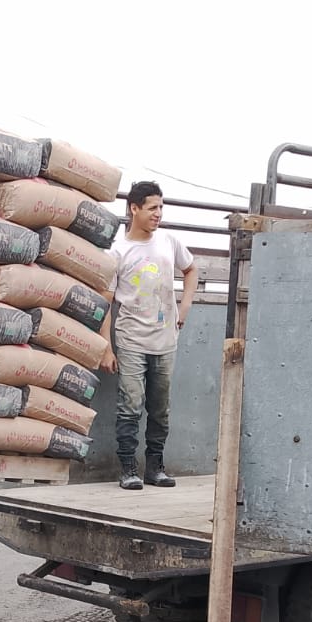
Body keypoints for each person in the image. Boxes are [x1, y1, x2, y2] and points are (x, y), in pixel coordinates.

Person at [105, 180, 197, 490]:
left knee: (160, 410)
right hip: (131, 340)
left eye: (161, 207)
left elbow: (191, 270)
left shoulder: (169, 241)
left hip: (166, 341)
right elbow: (105, 302)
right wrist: (106, 348)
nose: (158, 214)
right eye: (152, 208)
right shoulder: (118, 251)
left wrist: (185, 306)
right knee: (130, 406)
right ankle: (128, 468)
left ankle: (155, 467)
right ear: (134, 208)